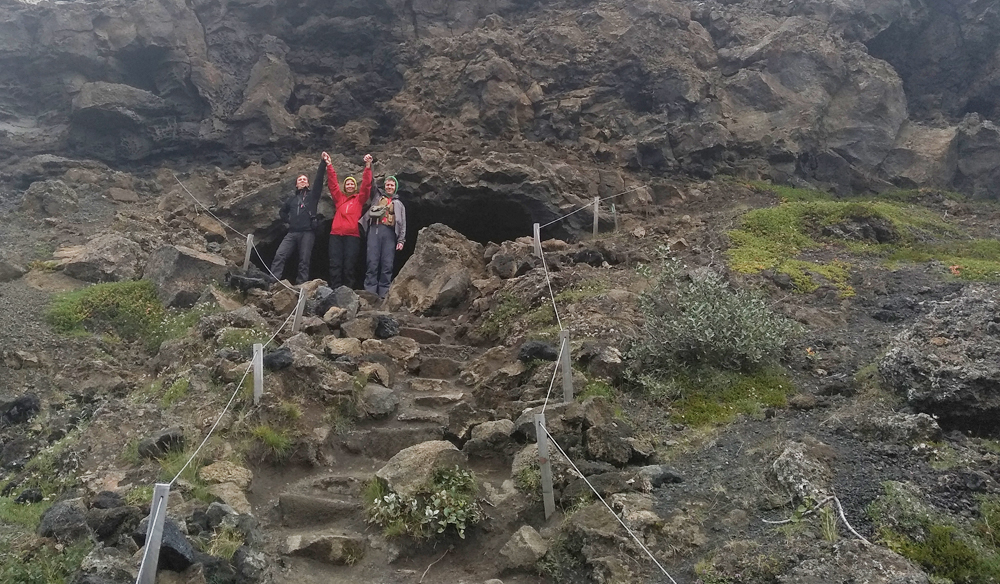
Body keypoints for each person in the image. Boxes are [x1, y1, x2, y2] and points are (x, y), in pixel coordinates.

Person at [268, 158, 326, 285]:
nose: (302, 181)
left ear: (308, 183)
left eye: (305, 179)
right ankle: (273, 280)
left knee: (304, 259)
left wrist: (323, 163)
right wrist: (289, 221)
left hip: (308, 232)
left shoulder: (313, 196)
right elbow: (282, 212)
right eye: (300, 180)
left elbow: (319, 180)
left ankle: (301, 284)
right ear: (296, 184)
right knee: (280, 254)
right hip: (292, 232)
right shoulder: (292, 200)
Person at [323, 151, 372, 289]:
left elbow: (366, 186)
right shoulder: (339, 199)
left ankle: (348, 290)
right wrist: (329, 165)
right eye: (347, 184)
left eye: (352, 184)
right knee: (335, 263)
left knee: (349, 264)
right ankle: (335, 289)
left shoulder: (359, 200)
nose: (350, 186)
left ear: (355, 187)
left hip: (352, 236)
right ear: (344, 186)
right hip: (336, 235)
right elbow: (333, 184)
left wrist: (368, 167)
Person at [361, 175, 406, 298]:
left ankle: (384, 293)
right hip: (375, 230)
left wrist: (401, 240)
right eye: (387, 184)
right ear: (384, 186)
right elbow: (371, 183)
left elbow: (402, 223)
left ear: (395, 187)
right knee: (372, 262)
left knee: (387, 264)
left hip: (390, 233)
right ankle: (370, 293)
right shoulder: (377, 196)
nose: (389, 187)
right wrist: (369, 167)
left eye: (392, 185)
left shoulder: (399, 204)